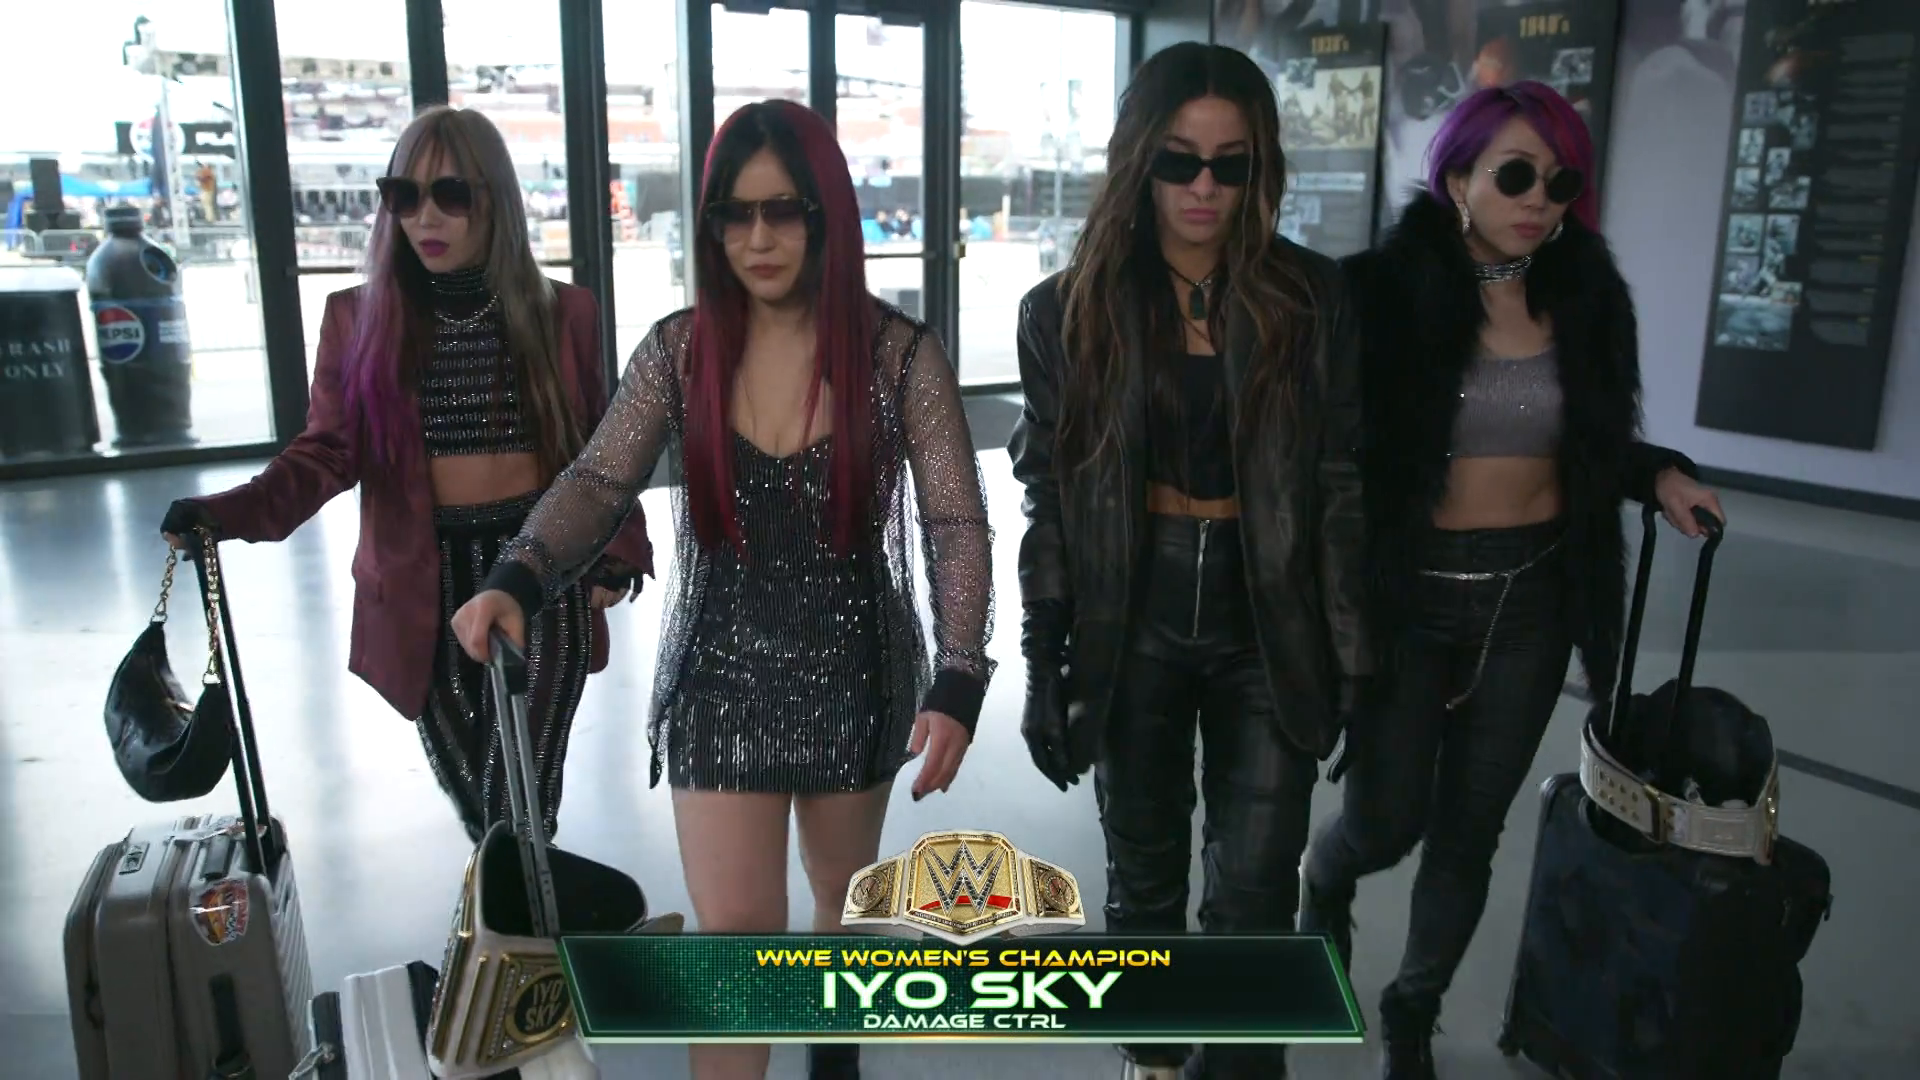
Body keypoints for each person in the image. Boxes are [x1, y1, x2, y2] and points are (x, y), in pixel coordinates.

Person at [449, 99, 992, 1080]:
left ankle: (834, 1058)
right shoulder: (679, 350)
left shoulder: (900, 355)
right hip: (719, 679)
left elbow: (954, 520)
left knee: (839, 908)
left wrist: (959, 674)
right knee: (736, 936)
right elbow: (598, 481)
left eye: (783, 211)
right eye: (734, 215)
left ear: (827, 217)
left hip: (854, 672)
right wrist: (517, 574)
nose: (758, 238)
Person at [1296, 82, 1725, 1079]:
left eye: (1560, 182)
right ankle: (1326, 876)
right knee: (1386, 822)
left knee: (1469, 834)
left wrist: (1659, 472)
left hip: (1530, 600)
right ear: (1457, 179)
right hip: (1408, 600)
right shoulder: (1376, 295)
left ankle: (1412, 1010)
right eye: (1517, 175)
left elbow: (1593, 447)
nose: (1539, 199)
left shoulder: (1588, 298)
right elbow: (1326, 451)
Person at [1008, 42, 1368, 1080]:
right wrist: (1043, 660)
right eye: (1179, 160)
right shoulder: (1066, 311)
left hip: (1269, 608)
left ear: (1261, 169)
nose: (1204, 186)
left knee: (1256, 887)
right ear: (1139, 161)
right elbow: (1053, 500)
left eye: (1230, 163)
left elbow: (1341, 481)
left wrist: (1351, 652)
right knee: (1145, 877)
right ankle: (1154, 1058)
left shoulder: (1310, 298)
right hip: (1136, 610)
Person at [160, 106, 652, 844]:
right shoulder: (357, 320)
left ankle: (516, 913)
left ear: (496, 201)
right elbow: (326, 452)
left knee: (521, 804)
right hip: (424, 585)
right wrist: (224, 512)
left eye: (452, 195)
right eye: (404, 195)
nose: (427, 216)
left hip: (540, 565)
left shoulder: (563, 312)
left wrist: (616, 552)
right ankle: (516, 915)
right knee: (485, 810)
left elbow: (599, 452)